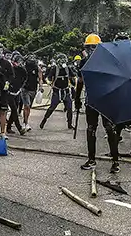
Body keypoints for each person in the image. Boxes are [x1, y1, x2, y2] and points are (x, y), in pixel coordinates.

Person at [75, 34, 121, 173]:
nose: (91, 50)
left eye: (92, 47)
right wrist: (77, 98)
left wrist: (77, 98)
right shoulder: (106, 61)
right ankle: (110, 161)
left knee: (101, 129)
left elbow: (80, 82)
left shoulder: (87, 62)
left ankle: (111, 161)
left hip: (100, 99)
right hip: (97, 99)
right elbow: (81, 81)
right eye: (90, 48)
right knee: (97, 129)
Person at [39, 52, 75, 129]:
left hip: (66, 91)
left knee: (69, 108)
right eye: (61, 60)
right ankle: (44, 120)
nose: (63, 62)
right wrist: (49, 83)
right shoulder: (55, 69)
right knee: (52, 108)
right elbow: (48, 78)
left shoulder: (67, 68)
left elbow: (72, 76)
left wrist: (73, 82)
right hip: (57, 91)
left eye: (64, 60)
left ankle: (69, 124)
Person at [5, 51, 29, 136]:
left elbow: (25, 77)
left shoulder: (22, 70)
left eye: (20, 62)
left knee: (14, 110)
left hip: (17, 92)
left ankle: (8, 127)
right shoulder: (9, 68)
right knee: (14, 109)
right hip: (9, 92)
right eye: (18, 61)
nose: (19, 63)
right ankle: (19, 128)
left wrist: (20, 86)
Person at [21, 50, 41, 131]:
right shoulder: (24, 67)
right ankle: (25, 124)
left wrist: (41, 86)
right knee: (27, 106)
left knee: (29, 108)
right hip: (25, 89)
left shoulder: (37, 68)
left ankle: (25, 121)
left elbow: (40, 78)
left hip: (33, 89)